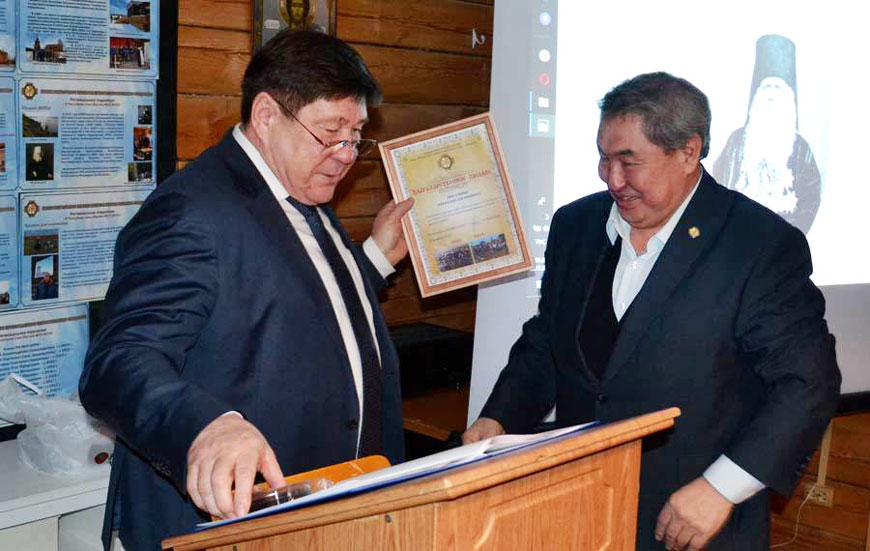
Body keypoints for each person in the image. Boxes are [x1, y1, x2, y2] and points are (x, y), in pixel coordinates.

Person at [464, 72, 840, 550]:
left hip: (694, 524)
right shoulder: (575, 225)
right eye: (604, 158)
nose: (612, 179)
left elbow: (807, 384)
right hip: (577, 512)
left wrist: (721, 488)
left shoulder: (759, 244)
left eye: (629, 161)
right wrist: (499, 418)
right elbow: (548, 342)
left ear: (688, 152)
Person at [79, 29, 414, 551]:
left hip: (326, 507)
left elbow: (285, 307)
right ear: (266, 115)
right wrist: (205, 426)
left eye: (356, 135)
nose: (347, 154)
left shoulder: (301, 187)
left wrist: (373, 259)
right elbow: (118, 362)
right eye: (332, 132)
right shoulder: (190, 211)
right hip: (230, 527)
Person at [713, 34, 821, 234]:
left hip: (781, 240)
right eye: (766, 87)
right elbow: (719, 186)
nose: (771, 94)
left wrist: (786, 238)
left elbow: (810, 199)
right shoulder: (736, 141)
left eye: (777, 87)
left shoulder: (801, 149)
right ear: (756, 95)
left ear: (788, 97)